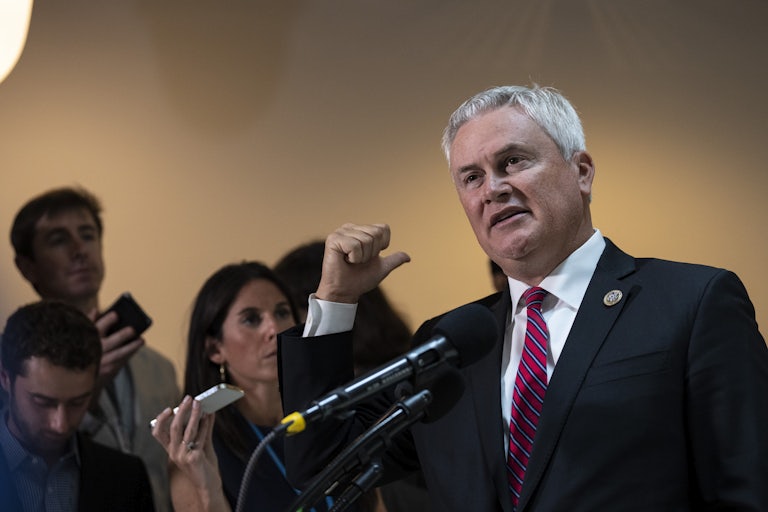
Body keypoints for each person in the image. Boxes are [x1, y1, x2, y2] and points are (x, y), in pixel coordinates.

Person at [277, 85, 768, 511]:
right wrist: (336, 301)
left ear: (582, 172)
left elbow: (748, 489)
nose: (493, 189)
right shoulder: (449, 346)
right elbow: (323, 464)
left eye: (512, 161)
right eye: (471, 177)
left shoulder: (693, 302)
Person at [7, 186, 179, 512]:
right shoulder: (15, 368)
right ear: (27, 266)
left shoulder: (159, 369)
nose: (79, 250)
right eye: (58, 240)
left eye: (87, 235)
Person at [151, 261, 334, 511]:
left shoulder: (329, 413)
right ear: (215, 349)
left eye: (281, 313)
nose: (274, 329)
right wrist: (208, 490)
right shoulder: (195, 451)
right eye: (251, 319)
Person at [275, 240, 429, 511]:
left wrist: (335, 297)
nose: (275, 327)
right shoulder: (407, 365)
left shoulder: (381, 383)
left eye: (284, 311)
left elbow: (324, 466)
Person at [0, 300, 155, 511]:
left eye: (78, 402)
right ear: (5, 378)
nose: (60, 425)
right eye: (43, 402)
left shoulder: (125, 477)